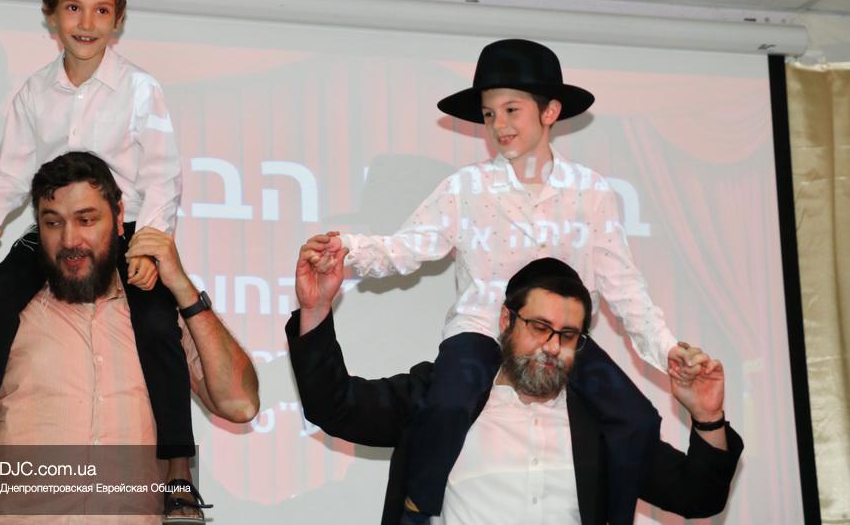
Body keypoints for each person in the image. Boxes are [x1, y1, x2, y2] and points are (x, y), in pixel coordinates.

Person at [303, 39, 710, 522]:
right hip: (481, 331)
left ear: (550, 111)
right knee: (449, 404)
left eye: (511, 110)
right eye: (489, 114)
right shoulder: (467, 188)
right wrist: (348, 248)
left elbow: (624, 285)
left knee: (637, 418)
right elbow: (409, 246)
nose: (499, 125)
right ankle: (419, 504)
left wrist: (666, 349)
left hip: (560, 340)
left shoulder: (590, 191)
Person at [0, 0, 197, 517]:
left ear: (118, 21)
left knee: (158, 325)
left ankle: (179, 471)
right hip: (55, 231)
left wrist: (151, 246)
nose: (87, 22)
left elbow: (162, 176)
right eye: (73, 8)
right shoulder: (35, 91)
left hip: (125, 232)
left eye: (102, 11)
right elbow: (10, 173)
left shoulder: (140, 89)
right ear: (50, 16)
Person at [0, 152, 259, 523]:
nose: (70, 239)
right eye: (53, 222)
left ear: (119, 217)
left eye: (86, 220)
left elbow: (240, 405)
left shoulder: (160, 313)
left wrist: (183, 288)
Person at [288, 246, 741, 525]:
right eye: (539, 327)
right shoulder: (446, 395)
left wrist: (708, 418)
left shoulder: (605, 425)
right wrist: (316, 309)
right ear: (506, 320)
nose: (551, 346)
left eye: (567, 335)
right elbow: (336, 407)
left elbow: (697, 496)